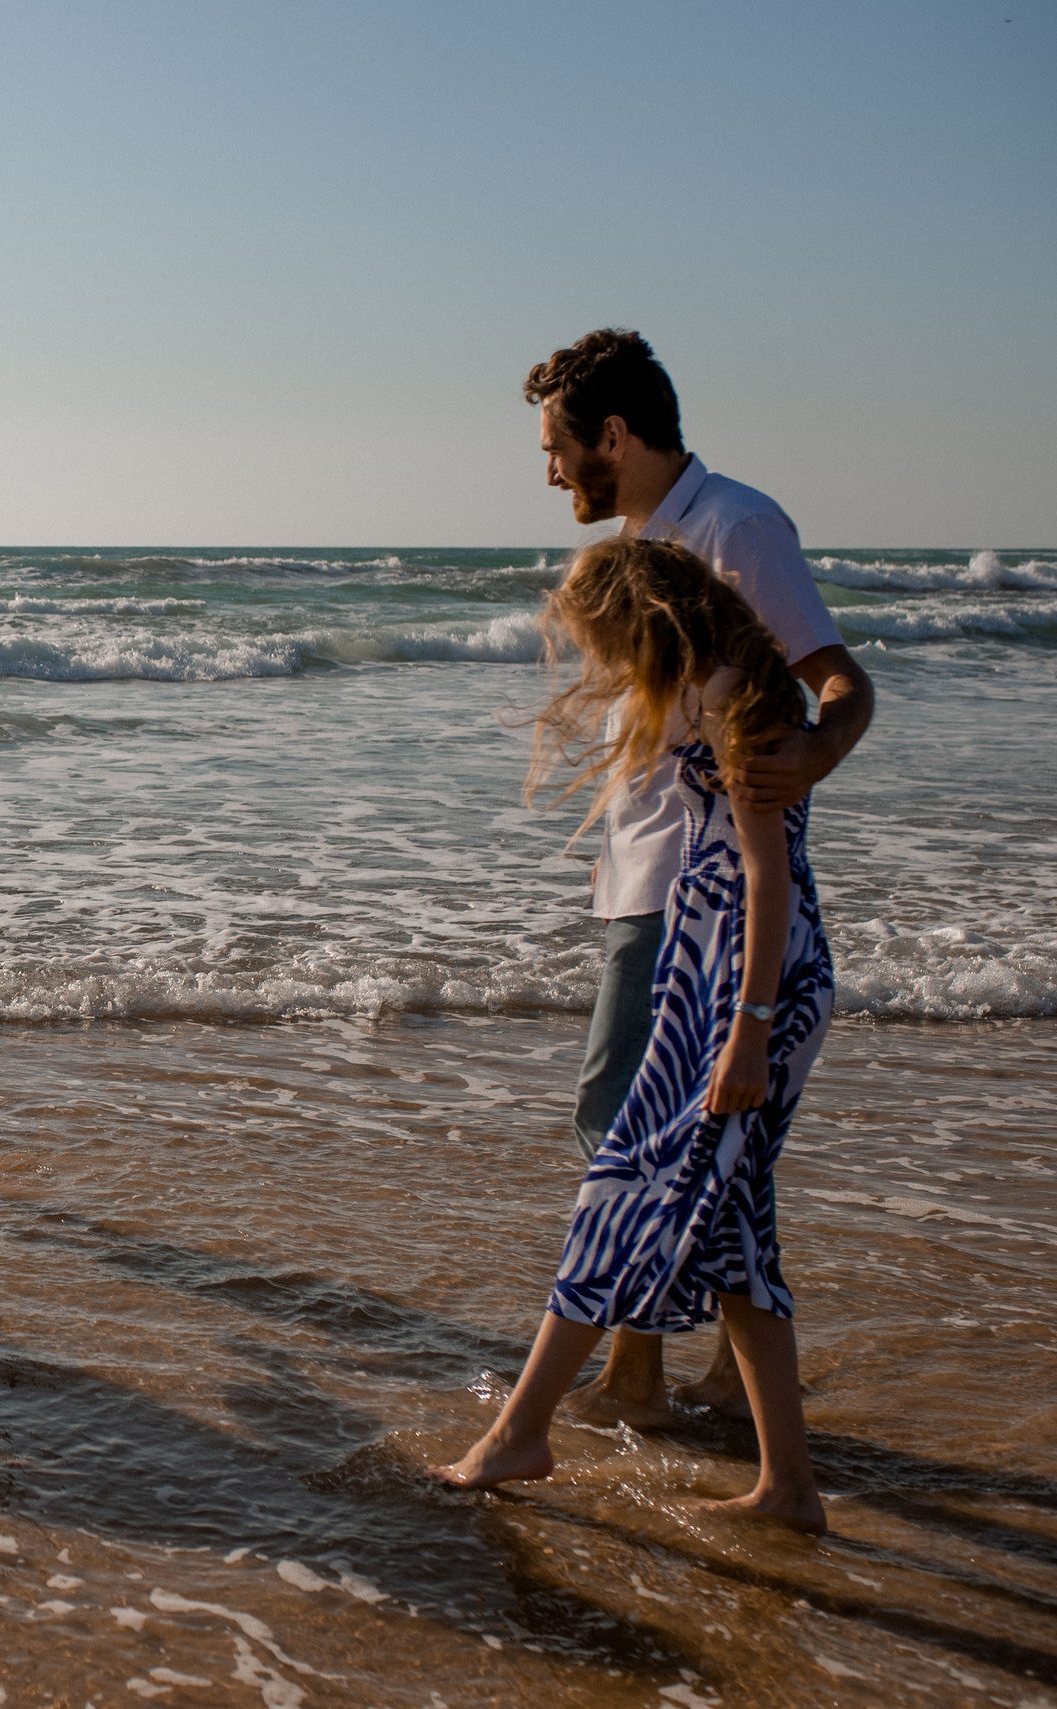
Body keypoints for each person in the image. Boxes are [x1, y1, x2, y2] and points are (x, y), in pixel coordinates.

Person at [436, 538, 836, 1531]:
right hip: (720, 966)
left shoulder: (739, 701)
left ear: (640, 622)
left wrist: (743, 1030)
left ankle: (519, 1433)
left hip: (744, 979)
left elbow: (765, 876)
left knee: (621, 1185)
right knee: (736, 1230)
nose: (600, 665)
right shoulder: (714, 682)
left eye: (604, 643)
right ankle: (789, 1489)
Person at [526, 328, 872, 1425]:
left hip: (699, 888)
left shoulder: (735, 526)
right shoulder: (646, 536)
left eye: (556, 445)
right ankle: (710, 1372)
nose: (547, 469)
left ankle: (639, 1373)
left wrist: (809, 757)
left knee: (621, 1119)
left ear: (613, 437)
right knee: (693, 1134)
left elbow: (838, 683)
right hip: (647, 867)